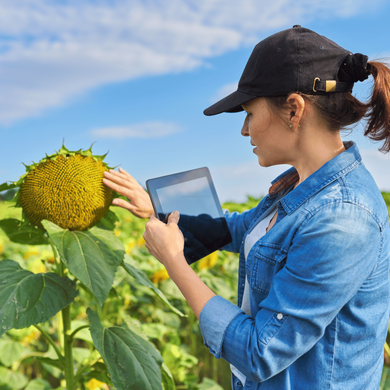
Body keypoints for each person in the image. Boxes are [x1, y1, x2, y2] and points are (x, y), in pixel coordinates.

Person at [103, 26, 390, 389]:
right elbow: (244, 230)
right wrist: (153, 211)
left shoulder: (343, 218)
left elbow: (260, 352)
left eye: (249, 113)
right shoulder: (301, 186)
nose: (244, 130)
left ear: (293, 109)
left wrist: (174, 262)